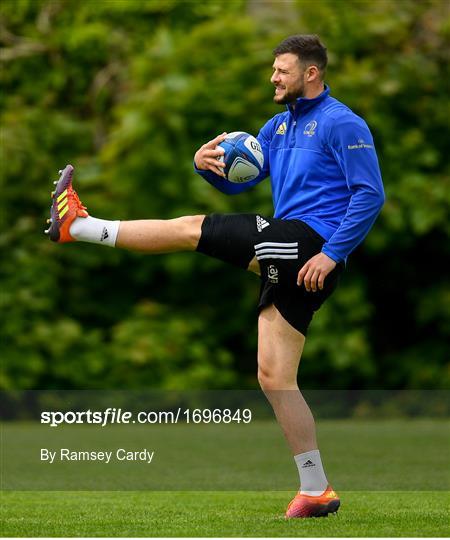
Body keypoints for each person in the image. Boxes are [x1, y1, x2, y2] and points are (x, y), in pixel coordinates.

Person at [45, 34, 384, 518]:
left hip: (309, 245)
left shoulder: (342, 123)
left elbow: (369, 195)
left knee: (190, 230)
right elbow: (239, 181)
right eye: (273, 69)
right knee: (274, 377)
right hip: (290, 253)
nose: (273, 77)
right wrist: (207, 168)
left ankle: (80, 226)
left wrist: (332, 254)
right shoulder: (278, 127)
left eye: (282, 70)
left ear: (311, 73)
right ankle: (316, 490)